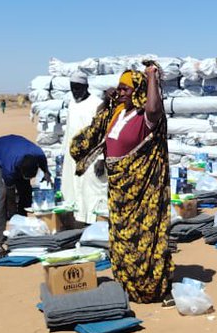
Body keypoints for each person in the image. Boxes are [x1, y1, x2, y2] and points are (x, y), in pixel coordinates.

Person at [68, 66, 172, 303]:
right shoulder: (117, 112)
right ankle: (127, 282)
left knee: (141, 238)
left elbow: (154, 108)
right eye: (120, 87)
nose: (121, 91)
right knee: (121, 238)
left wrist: (152, 77)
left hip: (141, 192)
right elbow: (98, 125)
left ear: (138, 90)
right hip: (118, 189)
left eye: (126, 88)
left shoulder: (146, 116)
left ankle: (148, 287)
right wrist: (109, 98)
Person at [0, 134, 52, 259]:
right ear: (20, 169)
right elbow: (10, 197)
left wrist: (47, 174)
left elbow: (45, 168)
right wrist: (14, 217)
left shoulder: (39, 154)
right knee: (2, 194)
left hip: (15, 150)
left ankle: (22, 230)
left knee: (26, 189)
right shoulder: (9, 168)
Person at [60, 74, 109, 226]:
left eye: (78, 88)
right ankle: (79, 223)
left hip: (92, 156)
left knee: (92, 192)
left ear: (86, 87)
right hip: (73, 157)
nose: (75, 92)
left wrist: (101, 159)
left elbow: (103, 133)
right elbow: (68, 131)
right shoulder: (71, 104)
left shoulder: (97, 104)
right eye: (72, 88)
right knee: (74, 190)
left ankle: (95, 226)